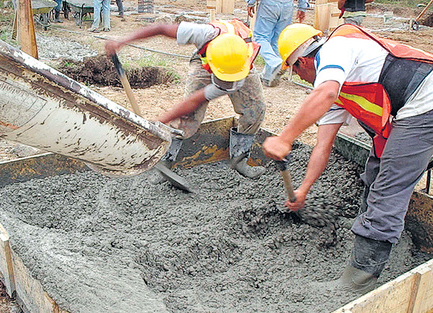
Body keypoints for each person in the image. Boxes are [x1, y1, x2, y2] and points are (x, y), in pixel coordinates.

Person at [262, 23, 433, 294]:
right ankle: (373, 231)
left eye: (294, 70)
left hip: (425, 106)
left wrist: (284, 138)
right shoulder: (336, 85)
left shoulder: (335, 49)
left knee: (388, 187)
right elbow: (322, 146)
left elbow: (325, 93)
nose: (300, 76)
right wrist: (303, 191)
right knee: (375, 171)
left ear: (303, 61)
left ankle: (359, 278)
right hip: (406, 113)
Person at [105, 19, 266, 189]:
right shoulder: (202, 33)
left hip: (238, 63)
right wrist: (122, 41)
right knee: (188, 116)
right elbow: (160, 28)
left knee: (255, 110)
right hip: (208, 60)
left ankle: (239, 160)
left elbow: (224, 86)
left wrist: (161, 119)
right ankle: (165, 162)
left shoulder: (242, 61)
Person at [246, 0, 309, 87]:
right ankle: (269, 76)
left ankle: (275, 63)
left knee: (260, 37)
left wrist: (251, 2)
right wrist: (302, 7)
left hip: (269, 5)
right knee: (278, 40)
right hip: (287, 6)